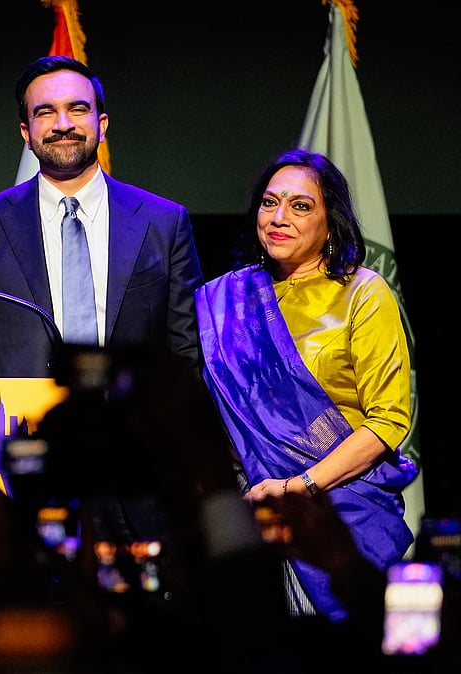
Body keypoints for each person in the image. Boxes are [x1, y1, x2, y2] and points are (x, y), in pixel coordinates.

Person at [195, 149, 419, 622]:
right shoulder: (224, 299)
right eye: (269, 202)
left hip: (339, 515)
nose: (279, 217)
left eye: (300, 206)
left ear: (329, 222)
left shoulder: (363, 292)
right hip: (247, 513)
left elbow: (388, 422)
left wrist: (298, 488)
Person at [0, 55, 203, 378]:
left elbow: (188, 354)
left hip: (136, 424)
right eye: (46, 112)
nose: (63, 124)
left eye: (78, 109)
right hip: (25, 425)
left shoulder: (164, 222)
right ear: (26, 133)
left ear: (103, 123)